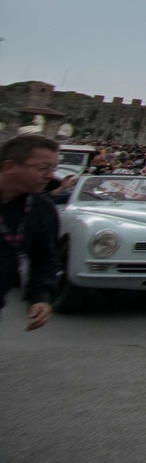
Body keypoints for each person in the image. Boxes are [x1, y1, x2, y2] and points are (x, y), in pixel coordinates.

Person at [0, 135, 61, 332]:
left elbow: (45, 259)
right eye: (43, 168)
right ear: (9, 167)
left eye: (53, 169)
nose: (51, 176)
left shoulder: (42, 210)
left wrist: (41, 298)